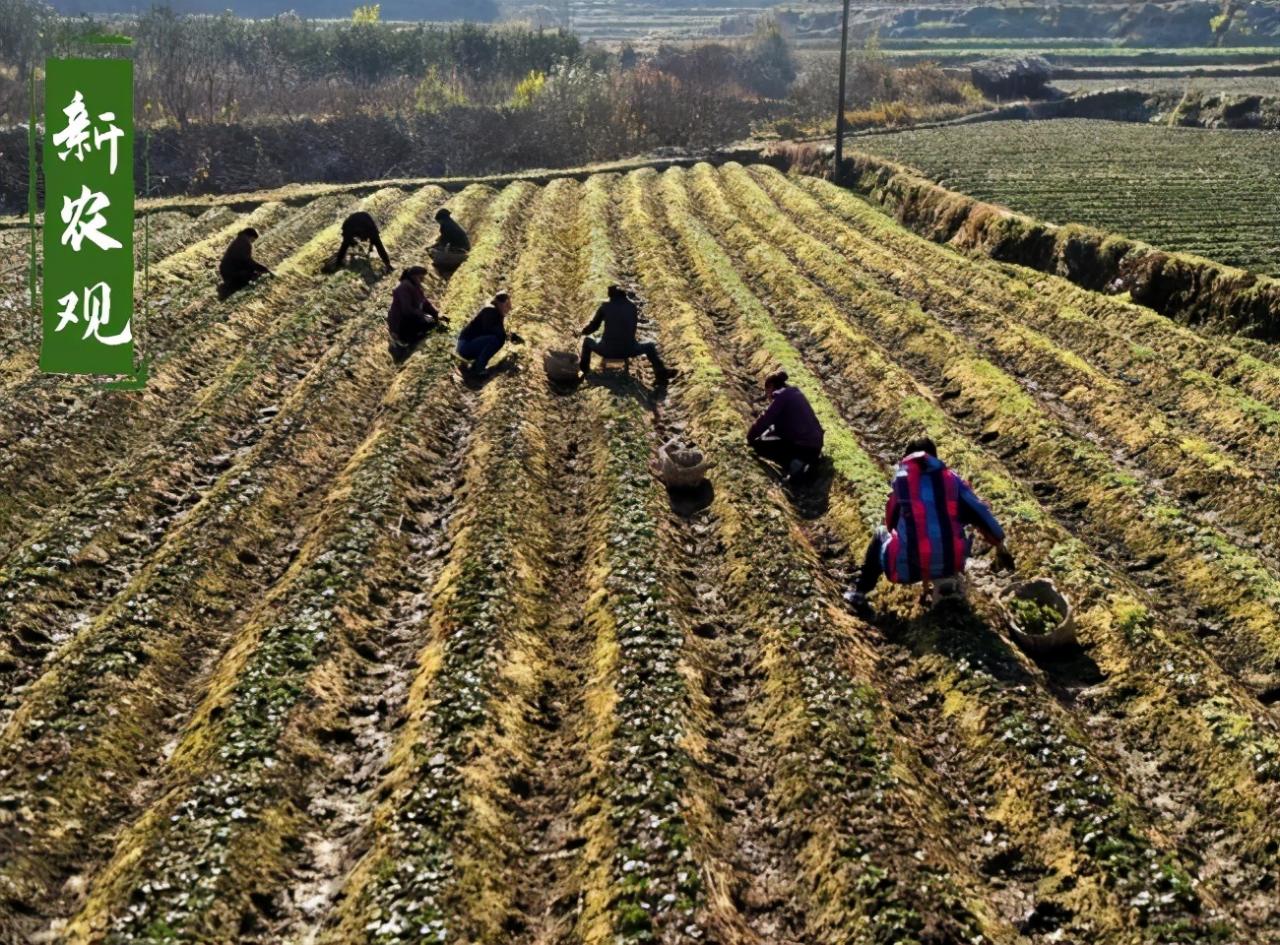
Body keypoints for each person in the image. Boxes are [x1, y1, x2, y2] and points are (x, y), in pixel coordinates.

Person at [845, 436, 1015, 619]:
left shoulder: (902, 482)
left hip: (909, 566)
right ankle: (948, 585)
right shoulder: (952, 480)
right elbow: (981, 512)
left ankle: (859, 593)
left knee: (880, 534)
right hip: (951, 563)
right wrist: (999, 541)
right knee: (955, 525)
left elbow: (890, 523)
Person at [579, 285, 677, 382]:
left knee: (587, 341)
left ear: (611, 294)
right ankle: (660, 374)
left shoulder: (605, 307)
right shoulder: (632, 307)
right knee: (650, 346)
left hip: (607, 349)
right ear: (624, 294)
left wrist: (581, 332)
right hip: (629, 350)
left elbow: (593, 327)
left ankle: (584, 371)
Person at [747, 370, 824, 480]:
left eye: (766, 391)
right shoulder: (794, 393)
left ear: (771, 387)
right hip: (815, 445)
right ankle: (801, 463)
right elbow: (779, 426)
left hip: (804, 447)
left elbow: (765, 419)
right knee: (773, 440)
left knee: (758, 445)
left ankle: (797, 466)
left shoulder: (781, 398)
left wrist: (750, 438)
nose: (767, 397)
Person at [457, 291, 522, 377]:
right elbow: (489, 329)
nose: (510, 308)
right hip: (465, 347)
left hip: (469, 346)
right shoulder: (490, 310)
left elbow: (499, 331)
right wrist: (510, 336)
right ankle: (478, 370)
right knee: (495, 339)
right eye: (507, 305)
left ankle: (476, 367)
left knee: (498, 339)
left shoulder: (496, 313)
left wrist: (511, 336)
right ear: (500, 303)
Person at [387, 266, 443, 363]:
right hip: (401, 324)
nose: (422, 280)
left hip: (410, 319)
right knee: (429, 324)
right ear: (413, 276)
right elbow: (407, 310)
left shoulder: (416, 287)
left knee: (432, 322)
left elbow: (425, 303)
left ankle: (411, 339)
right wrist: (422, 315)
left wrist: (436, 314)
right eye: (420, 278)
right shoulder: (404, 287)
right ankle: (404, 343)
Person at [218, 227, 272, 296]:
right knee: (256, 278)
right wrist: (262, 269)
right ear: (251, 236)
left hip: (227, 271)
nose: (252, 242)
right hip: (233, 272)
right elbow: (246, 260)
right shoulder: (244, 242)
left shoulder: (239, 240)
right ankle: (227, 288)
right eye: (253, 240)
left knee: (252, 275)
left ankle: (228, 287)